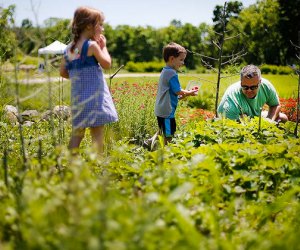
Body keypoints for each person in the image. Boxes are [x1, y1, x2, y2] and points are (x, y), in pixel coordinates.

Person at [60, 6, 118, 154]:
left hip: (78, 100)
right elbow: (107, 64)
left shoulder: (69, 49)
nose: (103, 29)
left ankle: (71, 162)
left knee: (77, 133)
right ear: (88, 26)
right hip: (94, 99)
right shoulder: (92, 46)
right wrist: (103, 47)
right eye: (100, 25)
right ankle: (96, 163)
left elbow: (63, 72)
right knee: (97, 133)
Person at [154, 42, 197, 145]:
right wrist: (189, 92)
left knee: (162, 130)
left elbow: (173, 94)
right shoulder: (172, 73)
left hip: (161, 109)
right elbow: (178, 91)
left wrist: (184, 94)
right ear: (172, 58)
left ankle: (149, 143)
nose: (183, 63)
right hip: (167, 111)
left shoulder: (165, 71)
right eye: (181, 59)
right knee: (169, 135)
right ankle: (167, 153)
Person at [217, 64, 288, 123]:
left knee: (283, 118)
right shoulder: (229, 104)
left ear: (260, 82)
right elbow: (231, 129)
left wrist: (269, 121)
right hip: (234, 120)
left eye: (253, 87)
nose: (249, 90)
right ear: (241, 83)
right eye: (245, 87)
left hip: (253, 117)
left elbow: (275, 105)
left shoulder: (266, 86)